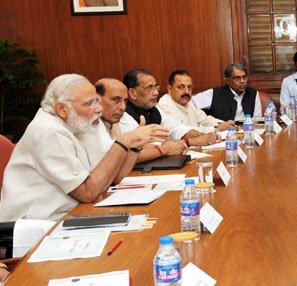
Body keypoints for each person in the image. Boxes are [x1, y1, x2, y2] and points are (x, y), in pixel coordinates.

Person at [0, 74, 169, 222]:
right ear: (61, 109)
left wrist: (134, 146)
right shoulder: (48, 131)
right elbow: (87, 192)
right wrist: (124, 141)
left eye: (96, 101)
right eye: (90, 103)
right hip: (39, 223)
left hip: (75, 213)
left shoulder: (80, 123)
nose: (98, 109)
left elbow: (112, 177)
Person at [119, 69, 217, 151]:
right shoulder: (124, 115)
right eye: (149, 88)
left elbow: (175, 128)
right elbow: (142, 149)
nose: (156, 93)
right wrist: (189, 142)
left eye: (155, 87)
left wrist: (202, 136)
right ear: (132, 93)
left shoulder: (154, 108)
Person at [158, 70, 234, 133]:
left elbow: (205, 120)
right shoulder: (164, 105)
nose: (186, 91)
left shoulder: (188, 102)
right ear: (169, 89)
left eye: (189, 87)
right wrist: (216, 128)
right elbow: (185, 132)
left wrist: (226, 124)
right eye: (181, 87)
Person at [193, 63, 267, 122]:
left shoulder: (253, 94)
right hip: (223, 133)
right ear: (228, 81)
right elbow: (191, 102)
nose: (242, 81)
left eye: (244, 78)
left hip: (247, 132)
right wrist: (203, 120)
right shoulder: (214, 94)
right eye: (237, 79)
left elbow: (257, 120)